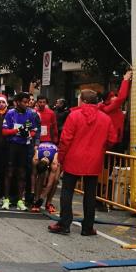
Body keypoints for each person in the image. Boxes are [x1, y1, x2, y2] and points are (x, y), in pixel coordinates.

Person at [49, 89, 113, 236]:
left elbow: (66, 139)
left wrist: (61, 158)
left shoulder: (74, 116)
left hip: (74, 158)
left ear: (83, 101)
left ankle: (64, 223)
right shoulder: (106, 118)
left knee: (67, 192)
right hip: (94, 159)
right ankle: (88, 227)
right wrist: (100, 148)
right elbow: (112, 140)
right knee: (90, 195)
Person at [1, 92, 39, 211]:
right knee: (9, 172)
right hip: (12, 145)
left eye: (28, 102)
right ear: (17, 102)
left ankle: (19, 200)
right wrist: (17, 130)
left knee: (22, 173)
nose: (26, 104)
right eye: (24, 102)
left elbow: (34, 131)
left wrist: (27, 133)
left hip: (24, 146)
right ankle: (6, 199)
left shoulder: (31, 114)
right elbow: (4, 131)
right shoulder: (10, 113)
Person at [99, 70, 132, 152]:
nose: (115, 97)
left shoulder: (110, 108)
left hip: (115, 140)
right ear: (108, 100)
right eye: (112, 96)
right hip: (114, 142)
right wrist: (125, 80)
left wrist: (128, 82)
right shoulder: (110, 108)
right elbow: (122, 97)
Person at [30, 142, 60, 213]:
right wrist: (32, 191)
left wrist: (42, 198)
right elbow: (33, 175)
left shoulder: (54, 163)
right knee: (40, 178)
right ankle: (36, 201)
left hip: (55, 153)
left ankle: (48, 203)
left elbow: (50, 183)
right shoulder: (35, 159)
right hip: (42, 149)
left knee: (55, 181)